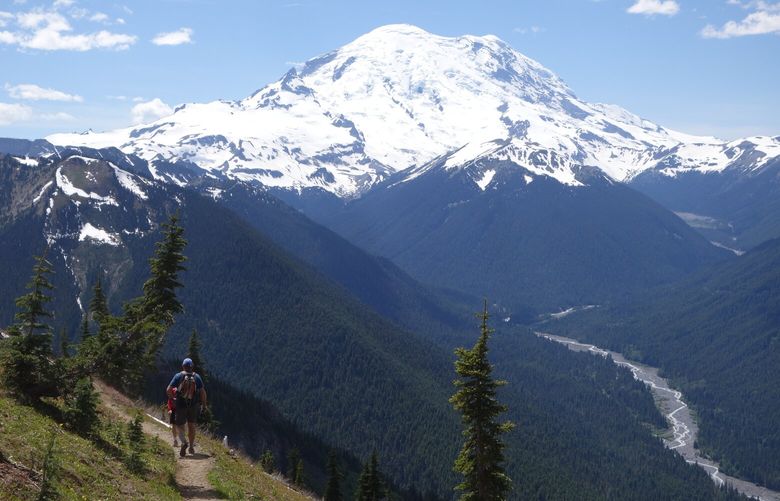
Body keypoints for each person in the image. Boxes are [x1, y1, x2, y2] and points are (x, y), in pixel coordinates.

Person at [167, 358, 207, 457]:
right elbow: (202, 392)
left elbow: (168, 389)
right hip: (193, 405)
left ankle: (184, 442)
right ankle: (192, 447)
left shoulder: (178, 376)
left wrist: (173, 399)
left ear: (183, 366)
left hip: (180, 404)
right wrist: (204, 405)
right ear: (191, 366)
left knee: (179, 425)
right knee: (191, 425)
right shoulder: (196, 377)